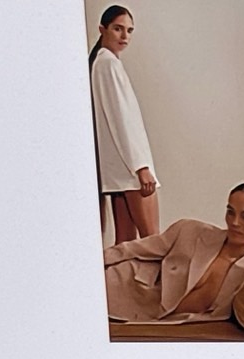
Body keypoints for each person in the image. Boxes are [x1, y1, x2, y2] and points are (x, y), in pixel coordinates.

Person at [104, 183, 244, 325]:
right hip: (126, 289)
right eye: (230, 212)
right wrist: (91, 264)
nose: (234, 222)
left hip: (163, 323)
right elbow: (131, 249)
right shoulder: (190, 230)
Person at [90, 7, 159, 243]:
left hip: (121, 172)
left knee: (126, 245)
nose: (124, 36)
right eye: (118, 29)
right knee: (153, 243)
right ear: (102, 30)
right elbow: (121, 120)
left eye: (129, 31)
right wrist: (141, 167)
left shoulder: (103, 63)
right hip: (132, 170)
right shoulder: (108, 64)